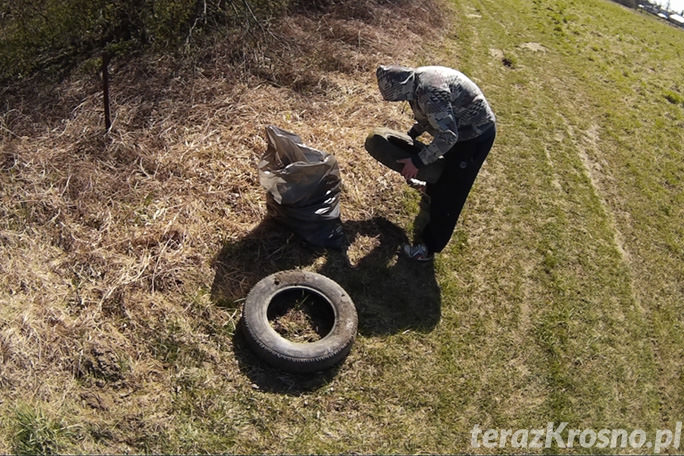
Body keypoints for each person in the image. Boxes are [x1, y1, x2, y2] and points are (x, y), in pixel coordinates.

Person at [365, 65, 496, 261]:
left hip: (475, 134)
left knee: (452, 190)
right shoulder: (415, 81)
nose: (397, 100)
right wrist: (411, 136)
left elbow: (448, 136)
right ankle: (431, 190)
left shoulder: (429, 91)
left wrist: (416, 161)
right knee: (443, 172)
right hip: (460, 128)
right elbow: (429, 114)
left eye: (395, 97)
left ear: (400, 87)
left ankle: (428, 247)